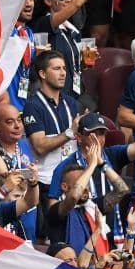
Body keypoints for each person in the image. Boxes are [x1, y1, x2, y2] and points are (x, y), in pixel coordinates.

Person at [22, 51, 83, 200]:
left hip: (72, 180)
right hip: (46, 183)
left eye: (64, 68)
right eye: (56, 69)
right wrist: (70, 133)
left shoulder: (72, 103)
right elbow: (40, 146)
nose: (63, 73)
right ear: (42, 74)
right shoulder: (33, 106)